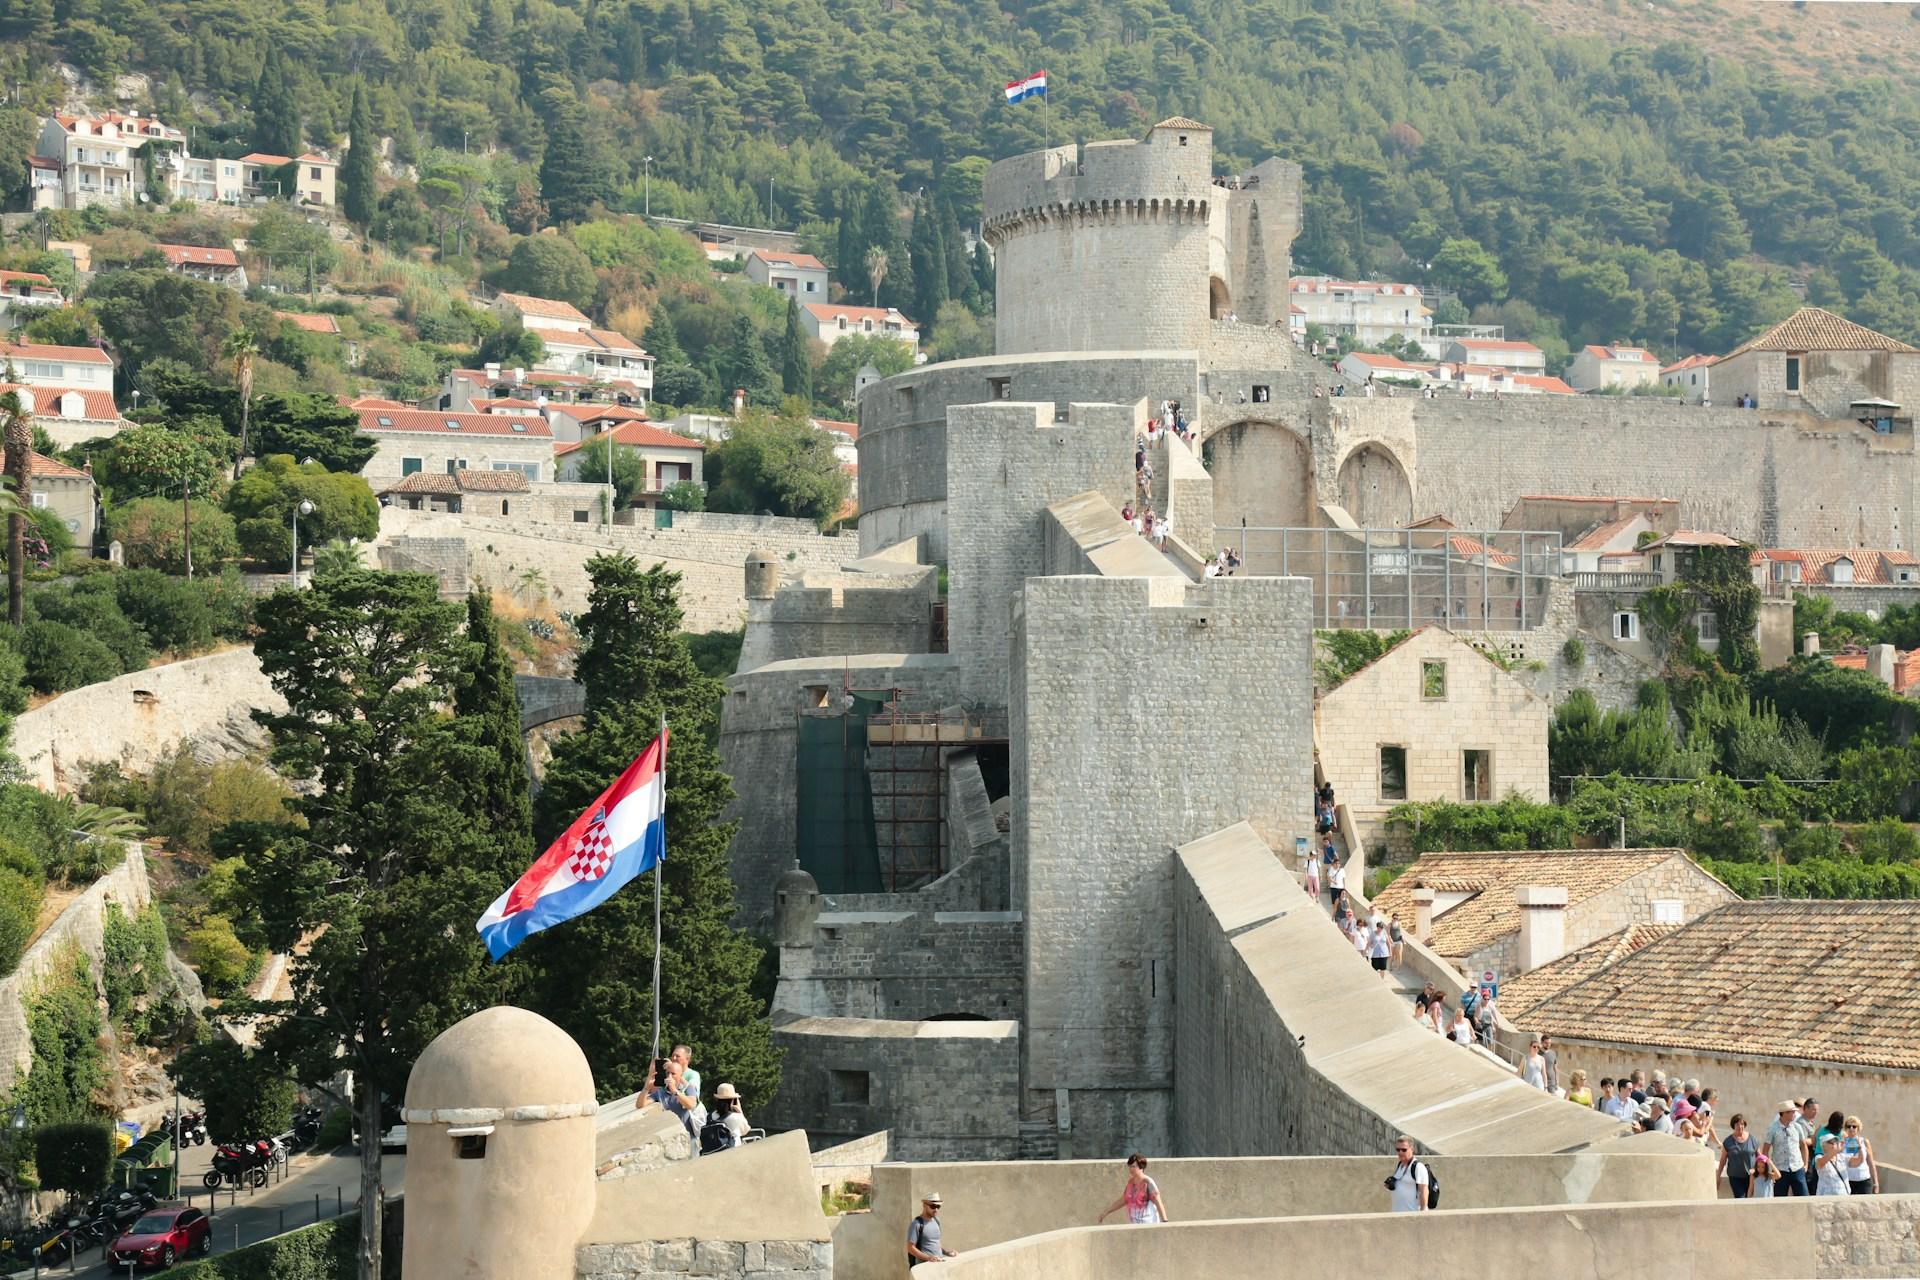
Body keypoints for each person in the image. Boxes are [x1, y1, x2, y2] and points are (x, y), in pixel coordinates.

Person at [1097, 1154, 1171, 1225]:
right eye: (1130, 1166)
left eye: (1133, 1166)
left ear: (1141, 1167)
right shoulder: (1131, 1182)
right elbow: (1124, 1199)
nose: (1130, 1169)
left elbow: (1159, 1203)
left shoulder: (1148, 1183)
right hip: (1133, 1226)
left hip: (1148, 1225)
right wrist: (1106, 1212)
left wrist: (1165, 1222)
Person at [1768, 1101, 1810, 1196]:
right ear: (1785, 1113)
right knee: (1779, 1199)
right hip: (1780, 1169)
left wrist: (1806, 1164)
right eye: (1792, 1112)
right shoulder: (1772, 1128)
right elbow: (1766, 1149)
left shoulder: (1797, 1127)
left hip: (1797, 1167)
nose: (1795, 1114)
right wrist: (1769, 1169)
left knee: (1803, 1197)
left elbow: (1803, 1146)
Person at [907, 1194, 957, 1266]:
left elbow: (935, 1243)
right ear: (924, 1205)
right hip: (925, 1267)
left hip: (939, 1264)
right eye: (933, 1206)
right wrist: (928, 1258)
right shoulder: (916, 1224)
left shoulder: (936, 1220)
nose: (936, 1209)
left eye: (938, 1206)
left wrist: (946, 1252)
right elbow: (910, 1248)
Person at [1719, 1114, 1758, 1199]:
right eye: (1737, 1124)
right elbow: (1723, 1160)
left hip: (1751, 1177)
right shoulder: (1728, 1141)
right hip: (1735, 1177)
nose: (1740, 1126)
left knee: (1751, 1199)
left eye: (1742, 1124)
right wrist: (1718, 1175)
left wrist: (1762, 1172)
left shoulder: (1752, 1139)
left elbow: (1760, 1157)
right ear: (1733, 1126)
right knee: (1740, 1198)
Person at [1387, 1136, 1429, 1212]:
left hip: (1412, 1215)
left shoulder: (1418, 1167)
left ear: (1412, 1149)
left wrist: (1423, 1214)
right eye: (1398, 1150)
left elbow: (1424, 1190)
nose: (1400, 1152)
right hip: (1397, 1215)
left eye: (1404, 1150)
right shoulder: (1400, 1165)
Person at [1841, 1117, 1879, 1194]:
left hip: (1864, 1179)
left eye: (1854, 1126)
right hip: (1848, 1180)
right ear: (1845, 1128)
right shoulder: (1842, 1143)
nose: (1851, 1128)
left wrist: (1876, 1183)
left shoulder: (1864, 1141)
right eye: (1849, 1126)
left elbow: (1871, 1162)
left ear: (1858, 1128)